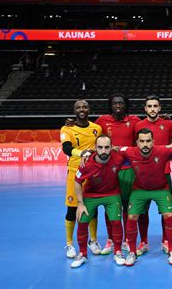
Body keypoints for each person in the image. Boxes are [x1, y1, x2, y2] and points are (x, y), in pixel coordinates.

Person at [119, 129, 172, 266]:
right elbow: (113, 149)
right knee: (131, 217)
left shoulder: (163, 151)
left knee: (169, 215)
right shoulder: (129, 152)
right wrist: (88, 155)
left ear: (153, 142)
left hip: (161, 189)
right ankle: (132, 252)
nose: (145, 144)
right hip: (140, 190)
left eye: (148, 141)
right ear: (137, 143)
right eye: (142, 141)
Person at [94, 94, 141, 255]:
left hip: (128, 170)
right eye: (115, 103)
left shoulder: (134, 120)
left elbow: (149, 129)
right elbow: (89, 132)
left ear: (126, 105)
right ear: (110, 105)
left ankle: (128, 239)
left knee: (128, 207)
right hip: (109, 170)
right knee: (110, 207)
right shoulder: (101, 121)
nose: (118, 105)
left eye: (121, 102)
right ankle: (111, 240)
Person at [70, 135, 126, 268]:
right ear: (95, 148)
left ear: (111, 147)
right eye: (100, 147)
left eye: (107, 147)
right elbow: (77, 182)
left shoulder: (118, 158)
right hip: (91, 195)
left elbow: (134, 153)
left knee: (116, 222)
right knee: (82, 221)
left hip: (112, 193)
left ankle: (118, 252)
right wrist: (80, 203)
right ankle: (82, 254)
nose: (103, 151)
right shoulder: (86, 164)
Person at [60, 100, 102, 259]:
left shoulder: (96, 128)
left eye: (84, 107)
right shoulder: (67, 128)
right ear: (74, 110)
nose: (82, 109)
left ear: (89, 109)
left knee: (93, 207)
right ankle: (70, 243)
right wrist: (82, 153)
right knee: (72, 209)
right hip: (74, 172)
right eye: (78, 107)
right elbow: (66, 149)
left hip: (93, 173)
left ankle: (93, 240)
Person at [135, 95, 172, 253]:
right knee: (142, 211)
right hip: (142, 174)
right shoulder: (138, 125)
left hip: (164, 173)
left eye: (155, 106)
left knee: (166, 211)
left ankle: (166, 241)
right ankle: (144, 242)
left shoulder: (168, 124)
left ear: (159, 108)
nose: (152, 109)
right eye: (149, 106)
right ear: (145, 109)